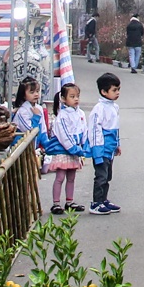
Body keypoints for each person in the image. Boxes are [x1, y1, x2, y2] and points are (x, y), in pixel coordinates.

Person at [47, 82, 91, 214]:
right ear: (63, 98)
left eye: (77, 96)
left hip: (75, 150)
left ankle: (69, 201)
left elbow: (84, 130)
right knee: (60, 177)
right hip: (63, 150)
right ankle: (56, 203)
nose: (76, 99)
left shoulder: (80, 113)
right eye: (72, 96)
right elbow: (63, 135)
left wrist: (85, 145)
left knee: (71, 177)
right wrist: (74, 148)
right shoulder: (62, 116)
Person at [87, 72, 122, 214]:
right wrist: (97, 151)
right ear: (103, 91)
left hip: (110, 148)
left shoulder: (115, 107)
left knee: (107, 176)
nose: (117, 93)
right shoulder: (98, 110)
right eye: (114, 90)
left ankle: (104, 200)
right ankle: (96, 202)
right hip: (101, 148)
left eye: (118, 89)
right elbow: (94, 130)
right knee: (101, 176)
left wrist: (117, 144)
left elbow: (116, 127)